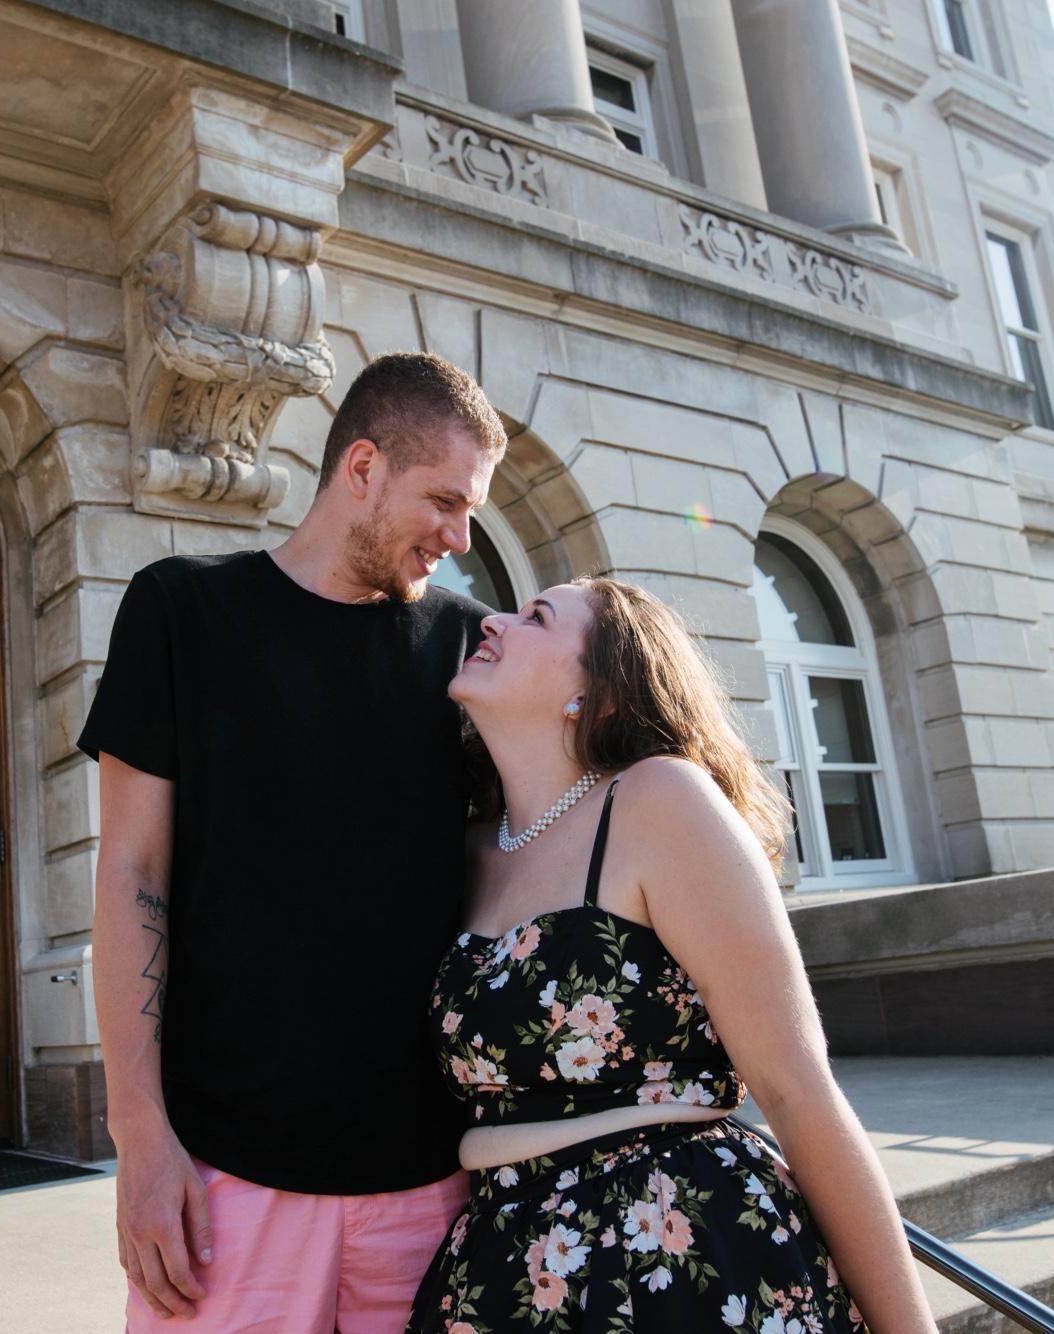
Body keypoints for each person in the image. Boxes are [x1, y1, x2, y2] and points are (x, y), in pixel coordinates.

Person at [77, 352, 508, 1331]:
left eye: (471, 510)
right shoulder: (181, 609)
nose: (459, 537)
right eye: (444, 501)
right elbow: (130, 873)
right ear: (362, 467)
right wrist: (138, 1135)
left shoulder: (472, 651)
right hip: (225, 1187)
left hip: (432, 1190)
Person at [407, 577, 938, 1333]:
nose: (492, 622)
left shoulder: (659, 800)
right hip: (502, 1262)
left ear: (599, 693)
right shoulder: (467, 847)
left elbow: (795, 1089)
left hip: (678, 1245)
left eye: (537, 618)